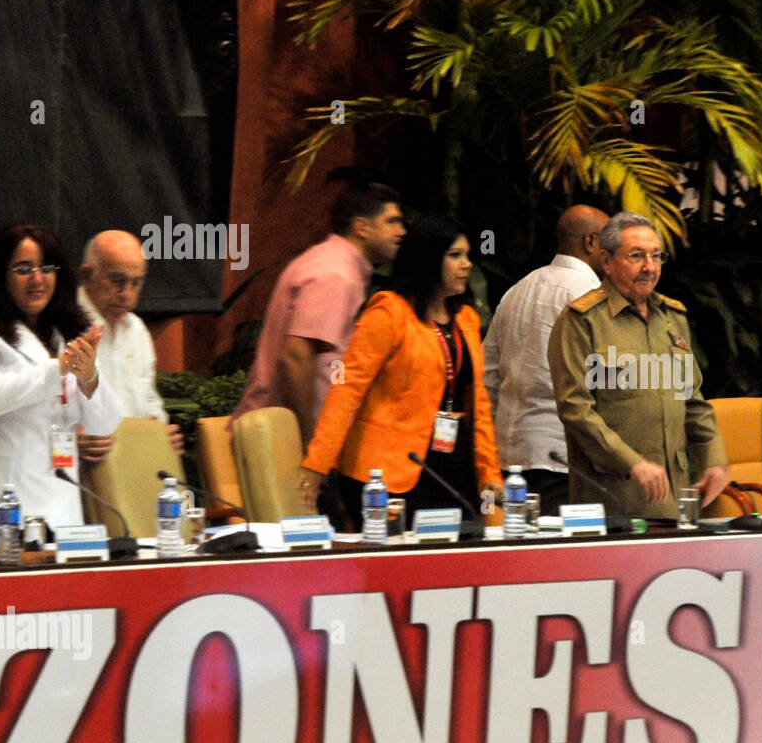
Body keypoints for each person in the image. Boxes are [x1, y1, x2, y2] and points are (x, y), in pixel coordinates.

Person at [299, 216, 501, 530]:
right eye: (455, 255)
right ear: (428, 258)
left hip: (452, 466)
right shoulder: (388, 312)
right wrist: (317, 464)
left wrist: (490, 473)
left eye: (468, 256)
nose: (466, 265)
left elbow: (479, 404)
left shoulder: (466, 320)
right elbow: (346, 390)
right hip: (386, 471)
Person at [547, 211, 728, 519]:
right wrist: (633, 463)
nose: (649, 267)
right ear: (606, 261)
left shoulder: (673, 317)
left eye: (656, 256)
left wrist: (715, 460)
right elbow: (575, 409)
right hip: (615, 498)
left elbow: (693, 400)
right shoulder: (582, 321)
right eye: (636, 256)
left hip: (678, 495)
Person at [231, 181, 405, 446]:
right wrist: (312, 438)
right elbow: (296, 356)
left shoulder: (333, 264)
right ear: (361, 227)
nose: (401, 232)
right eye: (392, 221)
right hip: (284, 441)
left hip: (283, 435)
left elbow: (330, 362)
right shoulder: (335, 274)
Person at [0, 224, 122, 528]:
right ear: (1, 275)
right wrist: (56, 369)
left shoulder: (66, 333)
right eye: (24, 269)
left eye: (46, 267)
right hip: (6, 509)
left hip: (62, 508)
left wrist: (89, 378)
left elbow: (105, 423)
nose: (37, 279)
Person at [483, 205, 609, 514]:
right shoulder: (591, 294)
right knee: (561, 557)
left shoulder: (517, 290)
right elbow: (606, 381)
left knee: (524, 557)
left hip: (511, 454)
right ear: (591, 242)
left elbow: (487, 379)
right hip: (562, 457)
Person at [75, 230, 183, 463]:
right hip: (77, 474)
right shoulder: (62, 326)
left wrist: (161, 431)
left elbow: (148, 401)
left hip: (133, 464)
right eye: (117, 280)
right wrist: (69, 441)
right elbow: (36, 415)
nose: (127, 294)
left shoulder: (137, 330)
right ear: (87, 274)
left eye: (136, 283)